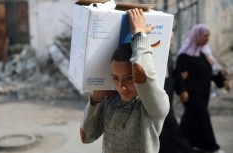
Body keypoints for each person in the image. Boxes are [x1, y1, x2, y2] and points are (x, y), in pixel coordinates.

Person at [80, 8, 170, 153]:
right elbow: (86, 137)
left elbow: (142, 73)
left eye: (129, 78)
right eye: (115, 78)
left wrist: (139, 35)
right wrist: (95, 99)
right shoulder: (109, 102)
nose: (121, 86)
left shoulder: (153, 105)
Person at [173, 23, 230, 153]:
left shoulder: (205, 53)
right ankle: (213, 147)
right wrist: (182, 90)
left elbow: (213, 72)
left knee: (190, 120)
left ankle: (186, 143)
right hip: (191, 94)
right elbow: (178, 74)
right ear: (196, 36)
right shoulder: (184, 55)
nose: (207, 39)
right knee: (203, 117)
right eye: (204, 36)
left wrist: (223, 81)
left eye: (208, 36)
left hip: (203, 93)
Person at [159, 32, 195, 153]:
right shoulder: (157, 54)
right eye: (170, 39)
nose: (172, 42)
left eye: (173, 39)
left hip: (168, 94)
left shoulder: (168, 54)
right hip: (160, 96)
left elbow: (173, 73)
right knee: (170, 126)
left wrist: (181, 89)